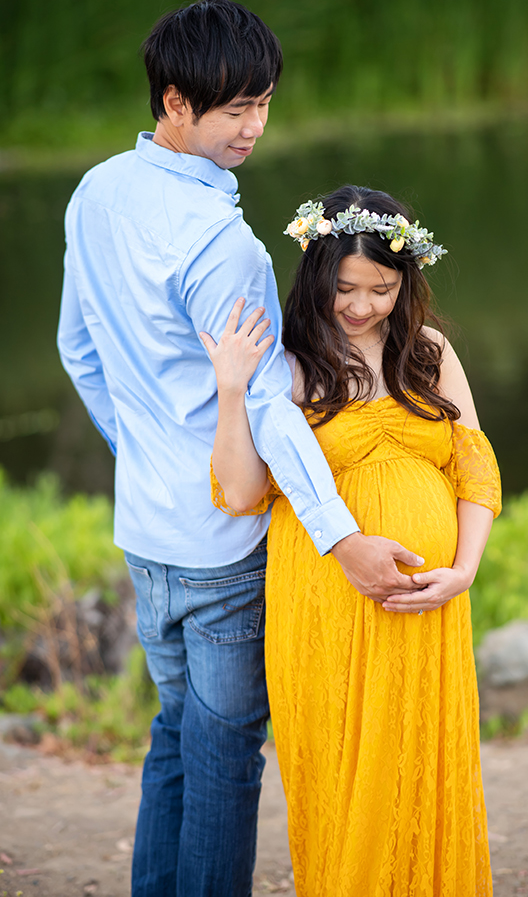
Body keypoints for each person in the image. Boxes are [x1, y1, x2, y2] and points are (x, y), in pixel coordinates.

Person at [57, 1, 425, 897]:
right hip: (223, 547)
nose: (254, 127)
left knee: (175, 737)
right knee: (223, 760)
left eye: (264, 104)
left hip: (146, 531)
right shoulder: (223, 245)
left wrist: (143, 450)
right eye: (234, 110)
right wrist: (343, 541)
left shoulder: (95, 191)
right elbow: (268, 408)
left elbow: (78, 350)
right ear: (175, 103)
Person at [205, 185, 502, 897]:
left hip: (428, 601)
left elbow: (474, 467)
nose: (362, 305)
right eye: (344, 288)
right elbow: (243, 493)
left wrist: (463, 570)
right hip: (328, 598)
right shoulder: (287, 361)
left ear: (406, 282)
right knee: (345, 768)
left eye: (381, 288)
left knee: (421, 762)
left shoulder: (427, 350)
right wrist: (229, 390)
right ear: (314, 274)